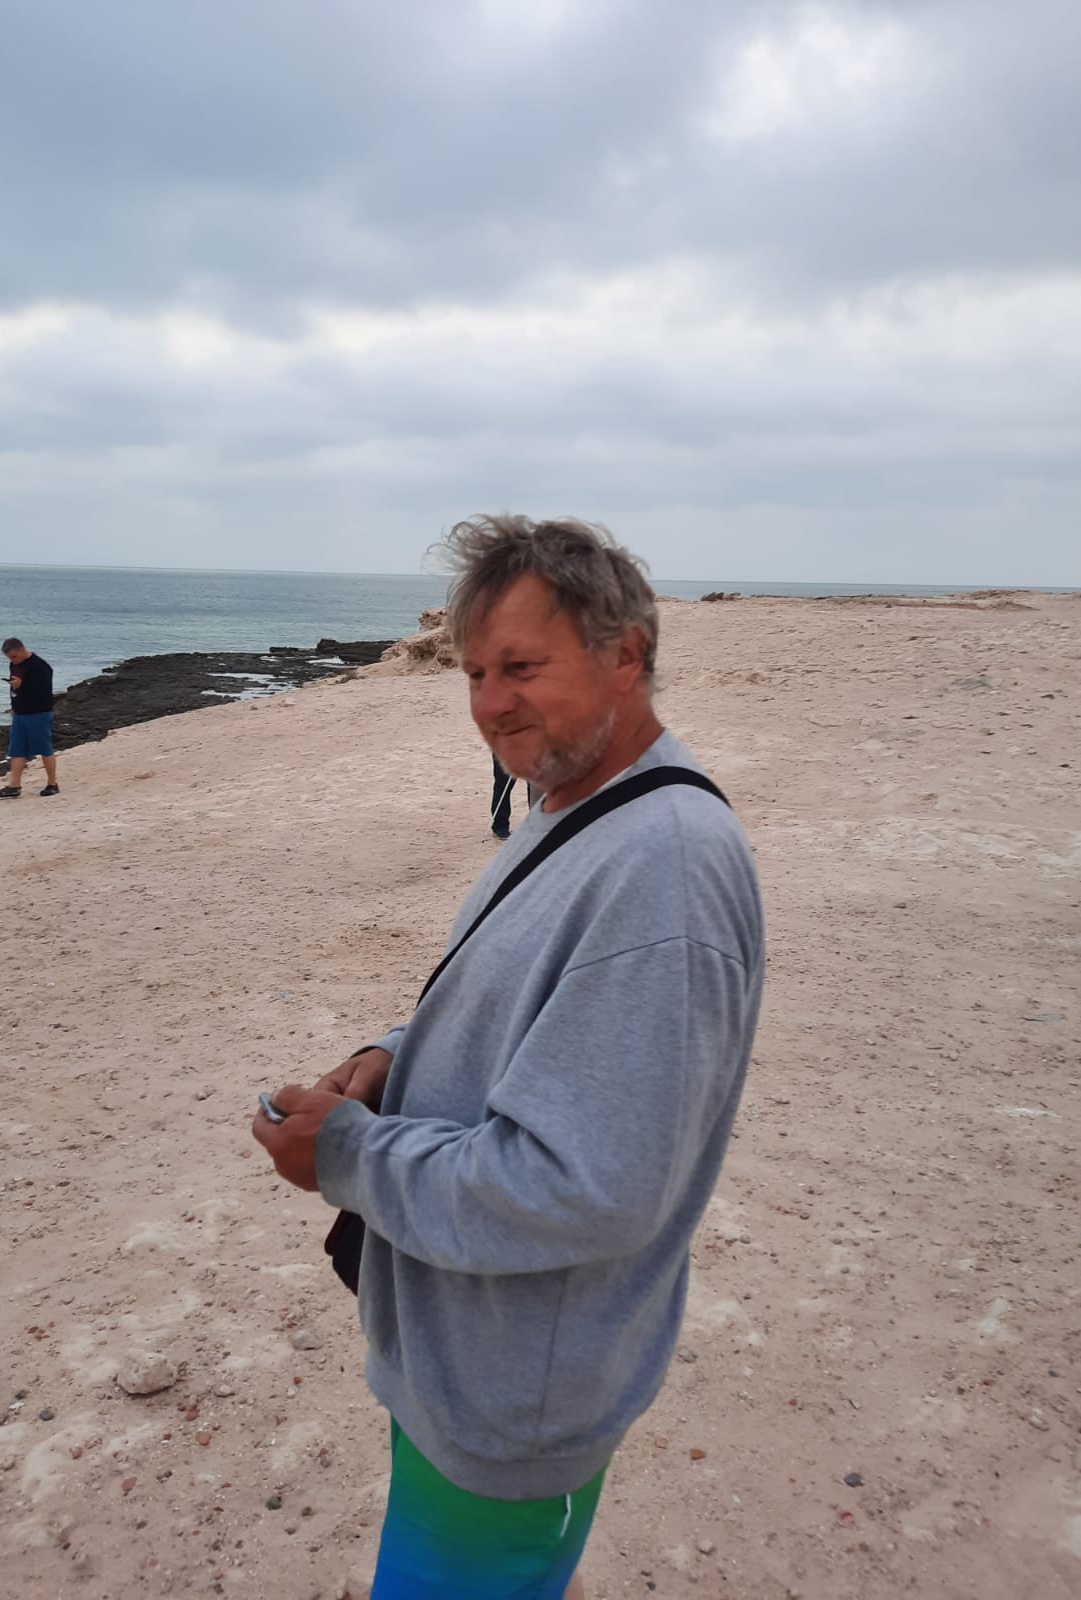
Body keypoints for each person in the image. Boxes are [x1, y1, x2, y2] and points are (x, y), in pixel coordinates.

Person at [252, 515, 764, 1599]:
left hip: (513, 1402)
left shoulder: (663, 869)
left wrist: (347, 1156)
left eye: (521, 668)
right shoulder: (575, 805)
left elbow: (586, 1188)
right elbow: (523, 1017)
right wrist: (389, 1059)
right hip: (472, 1371)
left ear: (626, 654)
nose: (488, 704)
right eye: (475, 673)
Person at [0, 638, 59, 799]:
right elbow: (15, 688)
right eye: (9, 658)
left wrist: (22, 685)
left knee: (44, 748)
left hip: (39, 712)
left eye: (14, 656)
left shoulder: (40, 666)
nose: (12, 660)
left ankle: (52, 784)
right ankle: (14, 786)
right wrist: (14, 706)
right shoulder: (14, 664)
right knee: (17, 749)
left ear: (22, 650)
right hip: (20, 713)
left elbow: (43, 690)